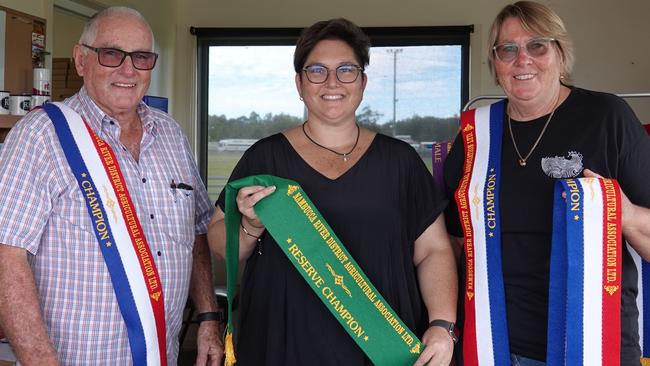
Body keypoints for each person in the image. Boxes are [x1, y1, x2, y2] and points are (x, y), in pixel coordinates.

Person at [207, 18, 458, 366]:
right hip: (281, 344)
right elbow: (219, 245)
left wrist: (443, 324)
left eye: (346, 70)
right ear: (299, 82)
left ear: (363, 81)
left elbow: (433, 251)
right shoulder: (264, 158)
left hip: (382, 348)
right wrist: (250, 227)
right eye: (316, 70)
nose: (332, 82)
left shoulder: (400, 161)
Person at [0, 7, 223, 365]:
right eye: (111, 54)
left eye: (142, 57)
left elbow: (197, 231)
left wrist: (209, 317)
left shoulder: (171, 135)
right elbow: (6, 258)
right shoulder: (41, 136)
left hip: (161, 354)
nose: (128, 69)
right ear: (81, 59)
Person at [443, 1, 650, 365]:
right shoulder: (475, 136)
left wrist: (624, 213)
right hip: (492, 346)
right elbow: (452, 243)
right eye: (507, 49)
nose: (522, 59)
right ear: (495, 63)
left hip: (591, 345)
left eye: (537, 45)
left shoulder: (607, 117)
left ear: (560, 52)